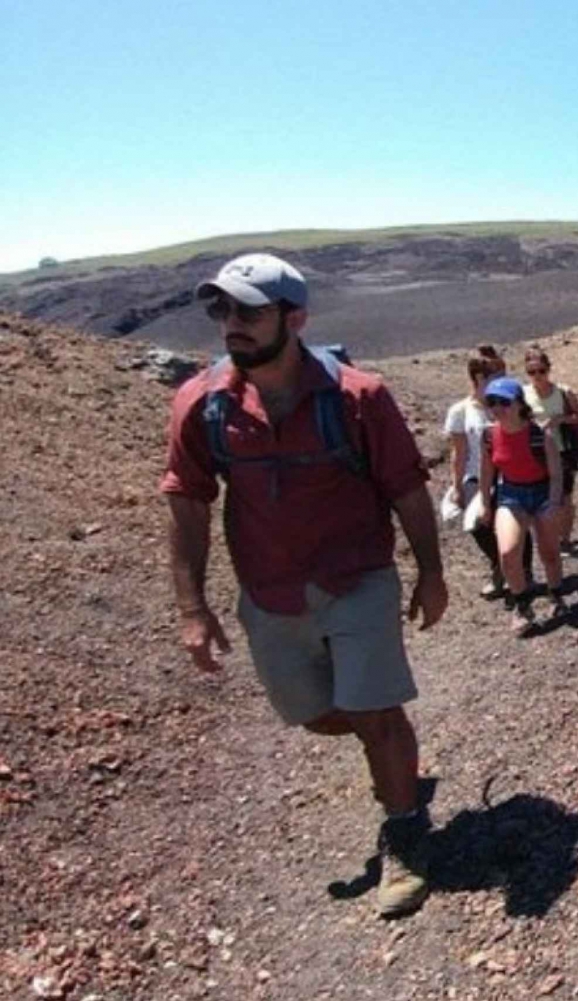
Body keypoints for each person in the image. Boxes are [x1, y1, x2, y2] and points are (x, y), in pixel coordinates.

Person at [161, 253, 447, 918]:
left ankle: (404, 828)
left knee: (375, 713)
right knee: (315, 713)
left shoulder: (359, 397)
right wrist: (192, 606)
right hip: (270, 592)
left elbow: (405, 487)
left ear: (296, 318)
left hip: (357, 579)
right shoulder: (201, 405)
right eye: (222, 310)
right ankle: (392, 746)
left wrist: (430, 571)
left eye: (249, 311)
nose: (231, 324)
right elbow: (188, 501)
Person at [476, 377, 569, 635]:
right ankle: (522, 606)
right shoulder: (488, 435)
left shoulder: (540, 435)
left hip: (542, 493)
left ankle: (556, 596)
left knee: (549, 552)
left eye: (503, 402)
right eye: (491, 402)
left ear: (519, 404)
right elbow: (486, 472)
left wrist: (553, 501)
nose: (497, 408)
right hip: (512, 494)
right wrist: (485, 502)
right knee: (508, 553)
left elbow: (556, 473)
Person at [444, 347, 503, 595]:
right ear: (479, 377)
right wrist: (456, 486)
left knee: (510, 522)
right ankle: (500, 565)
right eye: (496, 374)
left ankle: (518, 573)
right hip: (477, 477)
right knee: (479, 525)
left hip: (505, 474)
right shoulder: (461, 411)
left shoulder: (504, 404)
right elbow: (459, 452)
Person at [521, 347, 578, 550]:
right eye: (532, 372)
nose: (537, 376)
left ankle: (565, 539)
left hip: (562, 451)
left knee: (564, 497)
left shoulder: (563, 392)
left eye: (541, 371)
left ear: (548, 369)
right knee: (540, 497)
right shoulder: (522, 394)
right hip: (534, 453)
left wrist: (559, 420)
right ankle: (547, 537)